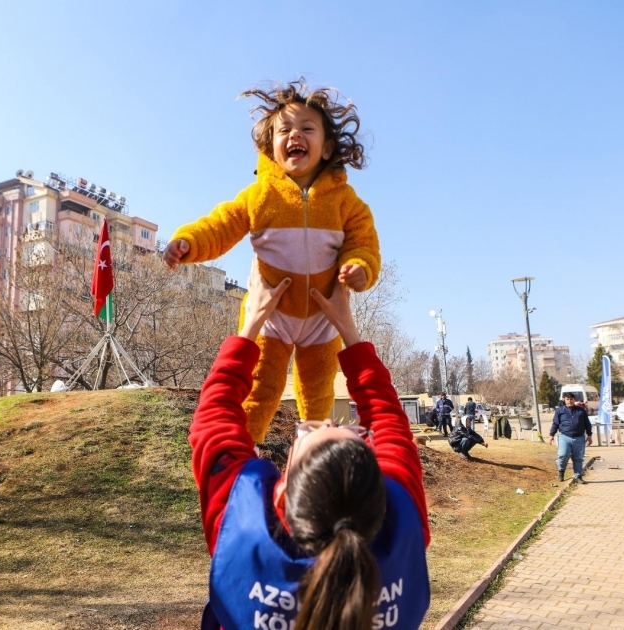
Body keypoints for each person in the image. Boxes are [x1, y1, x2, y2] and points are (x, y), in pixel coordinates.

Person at [189, 267, 429, 630]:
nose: (330, 422)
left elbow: (214, 421)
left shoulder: (240, 527)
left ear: (285, 488)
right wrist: (347, 330)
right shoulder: (398, 528)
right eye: (344, 430)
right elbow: (393, 425)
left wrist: (251, 323)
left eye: (312, 430)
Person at [165, 78, 381, 444]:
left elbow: (365, 245)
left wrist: (361, 268)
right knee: (259, 390)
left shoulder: (347, 202)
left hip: (322, 317)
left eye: (306, 128)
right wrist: (189, 242)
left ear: (327, 148)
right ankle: (243, 455)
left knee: (318, 395)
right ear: (271, 148)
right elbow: (220, 225)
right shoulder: (260, 195)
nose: (294, 135)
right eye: (285, 130)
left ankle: (315, 454)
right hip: (270, 316)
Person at [548, 392, 593, 484]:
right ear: (564, 400)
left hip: (579, 438)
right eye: (567, 399)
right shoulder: (560, 411)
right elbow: (555, 424)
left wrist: (589, 435)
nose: (569, 401)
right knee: (563, 455)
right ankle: (561, 471)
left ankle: (578, 476)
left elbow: (587, 424)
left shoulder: (581, 411)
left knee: (578, 458)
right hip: (565, 437)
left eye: (571, 399)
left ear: (574, 400)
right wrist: (551, 435)